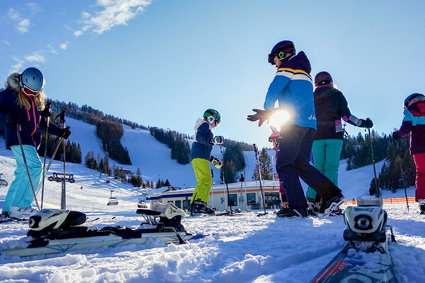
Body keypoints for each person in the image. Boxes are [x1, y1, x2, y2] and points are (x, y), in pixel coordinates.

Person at [248, 40, 344, 217]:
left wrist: (267, 109)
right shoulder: (304, 72)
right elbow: (296, 101)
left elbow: (273, 90)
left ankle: (298, 207)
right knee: (300, 163)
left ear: (283, 54)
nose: (274, 64)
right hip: (309, 125)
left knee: (284, 164)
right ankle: (332, 195)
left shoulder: (287, 67)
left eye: (274, 59)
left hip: (293, 124)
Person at [0, 67, 71, 220]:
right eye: (30, 92)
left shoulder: (34, 102)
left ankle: (8, 210)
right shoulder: (9, 95)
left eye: (36, 92)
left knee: (22, 173)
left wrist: (59, 132)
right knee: (34, 167)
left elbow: (41, 125)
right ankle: (20, 207)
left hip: (31, 141)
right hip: (18, 136)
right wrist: (6, 116)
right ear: (21, 84)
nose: (33, 95)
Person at [305, 72, 373, 212]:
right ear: (330, 81)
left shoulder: (310, 97)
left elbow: (305, 117)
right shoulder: (337, 94)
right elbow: (347, 117)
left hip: (316, 136)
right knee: (331, 167)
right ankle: (331, 201)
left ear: (316, 83)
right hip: (334, 136)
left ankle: (311, 200)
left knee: (317, 168)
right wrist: (363, 123)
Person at [393, 93, 425, 214]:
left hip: (419, 148)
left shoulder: (410, 111)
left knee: (422, 174)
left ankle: (423, 203)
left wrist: (396, 135)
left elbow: (405, 129)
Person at [190, 109, 224, 215]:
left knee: (202, 181)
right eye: (216, 122)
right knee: (206, 180)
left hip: (199, 156)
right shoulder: (205, 125)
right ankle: (200, 205)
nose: (216, 125)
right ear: (211, 118)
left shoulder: (204, 126)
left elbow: (203, 147)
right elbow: (199, 137)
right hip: (199, 156)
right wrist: (212, 140)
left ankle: (195, 205)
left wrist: (213, 160)